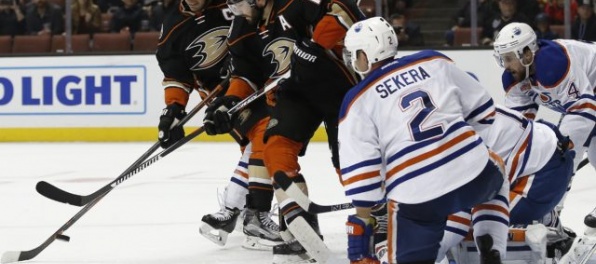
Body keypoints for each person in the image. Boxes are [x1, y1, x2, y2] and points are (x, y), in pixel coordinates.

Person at [202, 0, 364, 261]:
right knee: (275, 147)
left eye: (240, 3)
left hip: (337, 88)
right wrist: (230, 103)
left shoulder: (295, 4)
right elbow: (244, 75)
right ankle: (301, 231)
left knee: (347, 163)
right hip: (295, 95)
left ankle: (378, 217)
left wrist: (315, 45)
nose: (237, 12)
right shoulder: (242, 28)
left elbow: (345, 10)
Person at [340, 16, 509, 264]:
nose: (353, 61)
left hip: (417, 199)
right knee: (496, 170)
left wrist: (359, 233)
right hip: (475, 174)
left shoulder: (356, 100)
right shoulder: (433, 60)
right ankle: (491, 238)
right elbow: (484, 111)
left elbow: (364, 182)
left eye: (355, 54)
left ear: (366, 55)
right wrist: (458, 153)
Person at [154, 0, 281, 251]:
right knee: (260, 142)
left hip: (255, 79)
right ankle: (246, 212)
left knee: (264, 141)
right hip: (223, 101)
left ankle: (237, 210)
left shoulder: (229, 3)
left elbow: (257, 23)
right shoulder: (171, 29)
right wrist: (173, 111)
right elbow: (177, 78)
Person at [436, 105, 576, 262]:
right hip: (545, 155)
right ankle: (551, 225)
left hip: (545, 174)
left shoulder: (459, 143)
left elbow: (458, 220)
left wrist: (426, 253)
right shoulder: (460, 117)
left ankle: (553, 241)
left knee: (482, 222)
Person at [492, 22, 596, 228]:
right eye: (503, 59)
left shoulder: (553, 64)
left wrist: (562, 155)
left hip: (588, 96)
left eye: (509, 58)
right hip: (588, 95)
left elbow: (583, 111)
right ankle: (550, 215)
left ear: (528, 54)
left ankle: (551, 214)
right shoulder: (514, 79)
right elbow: (519, 131)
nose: (506, 65)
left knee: (569, 152)